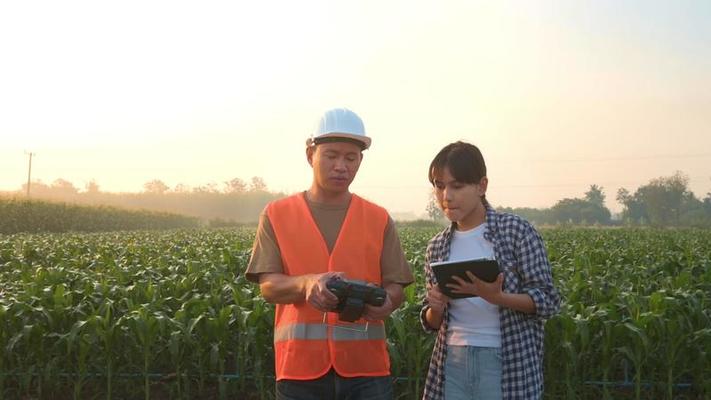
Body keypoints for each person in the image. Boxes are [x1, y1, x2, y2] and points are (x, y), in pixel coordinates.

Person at [246, 108, 414, 400]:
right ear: (310, 154)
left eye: (351, 158)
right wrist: (307, 283)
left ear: (360, 160)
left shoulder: (378, 218)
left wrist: (388, 302)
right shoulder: (277, 214)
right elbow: (268, 286)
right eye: (331, 155)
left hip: (367, 370)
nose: (341, 166)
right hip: (300, 370)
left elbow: (396, 285)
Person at [420, 141, 561, 400]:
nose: (446, 196)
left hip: (505, 361)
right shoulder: (437, 246)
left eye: (457, 186)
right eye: (439, 186)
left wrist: (496, 297)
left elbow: (548, 301)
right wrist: (435, 307)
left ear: (481, 186)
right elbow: (431, 323)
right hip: (452, 360)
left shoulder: (516, 232)